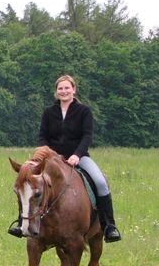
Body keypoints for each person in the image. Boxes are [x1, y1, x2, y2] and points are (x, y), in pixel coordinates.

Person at [8, 74, 122, 242]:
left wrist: (77, 154)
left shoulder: (84, 111)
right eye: (60, 88)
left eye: (67, 88)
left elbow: (87, 136)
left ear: (73, 90)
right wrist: (45, 155)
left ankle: (109, 226)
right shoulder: (48, 112)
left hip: (78, 157)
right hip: (52, 160)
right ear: (56, 92)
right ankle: (21, 223)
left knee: (100, 182)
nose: (64, 91)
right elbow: (42, 137)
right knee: (27, 183)